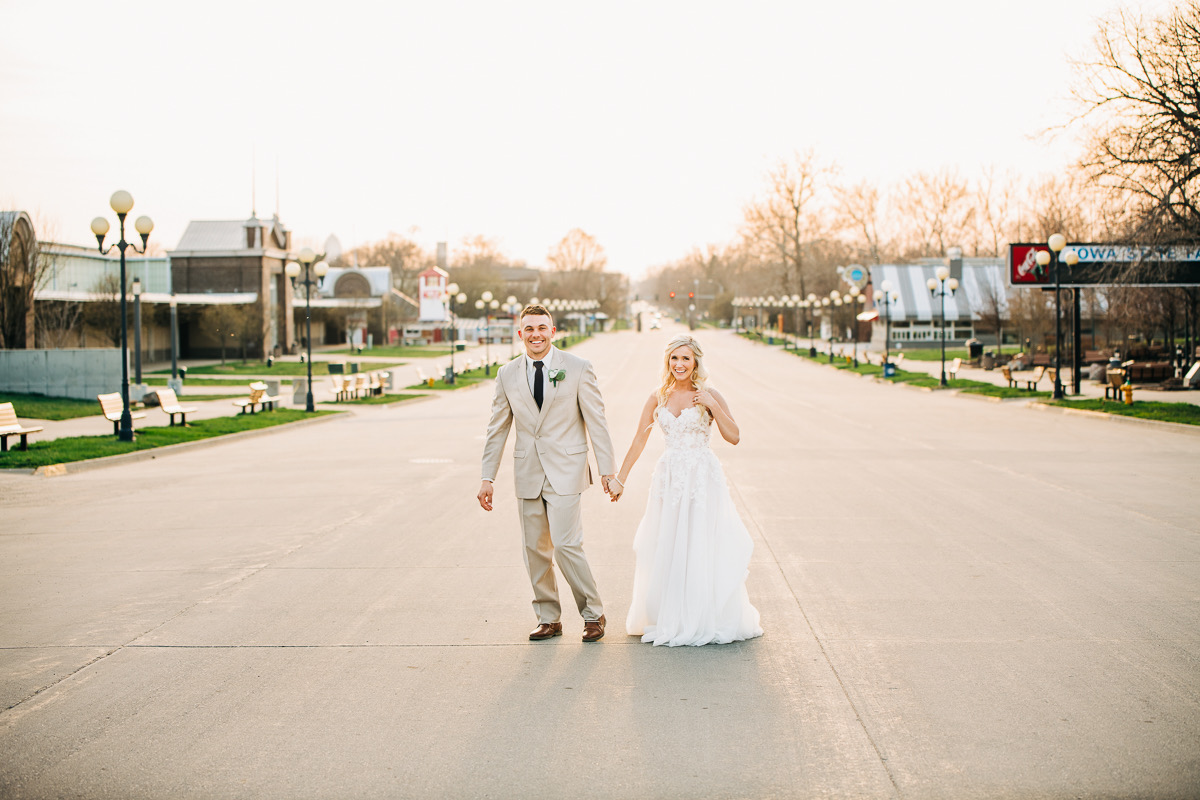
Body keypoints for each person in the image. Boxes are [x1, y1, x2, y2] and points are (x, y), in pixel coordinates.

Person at [610, 334, 763, 647]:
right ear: (667, 362)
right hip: (669, 479)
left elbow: (734, 436)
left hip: (702, 478)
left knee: (700, 542)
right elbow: (640, 439)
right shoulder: (658, 397)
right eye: (674, 358)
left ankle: (702, 616)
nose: (679, 364)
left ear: (695, 363)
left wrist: (713, 407)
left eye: (685, 359)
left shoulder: (710, 394)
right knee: (667, 542)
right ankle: (671, 615)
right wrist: (620, 478)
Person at [478, 305, 617, 643]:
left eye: (542, 327)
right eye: (529, 329)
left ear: (553, 331)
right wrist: (487, 476)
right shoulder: (506, 374)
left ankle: (592, 613)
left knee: (567, 544)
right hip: (527, 472)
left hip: (567, 471)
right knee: (535, 549)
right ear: (520, 333)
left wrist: (607, 471)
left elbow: (597, 422)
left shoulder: (578, 368)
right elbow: (497, 429)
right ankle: (548, 617)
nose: (536, 334)